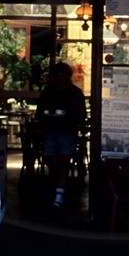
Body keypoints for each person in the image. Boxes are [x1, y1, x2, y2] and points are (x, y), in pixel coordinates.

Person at [36, 62, 86, 209]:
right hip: (54, 130)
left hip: (65, 131)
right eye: (58, 75)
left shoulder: (72, 93)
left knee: (62, 162)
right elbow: (39, 113)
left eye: (63, 75)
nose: (61, 78)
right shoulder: (50, 92)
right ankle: (58, 190)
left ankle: (58, 191)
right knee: (54, 161)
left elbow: (80, 114)